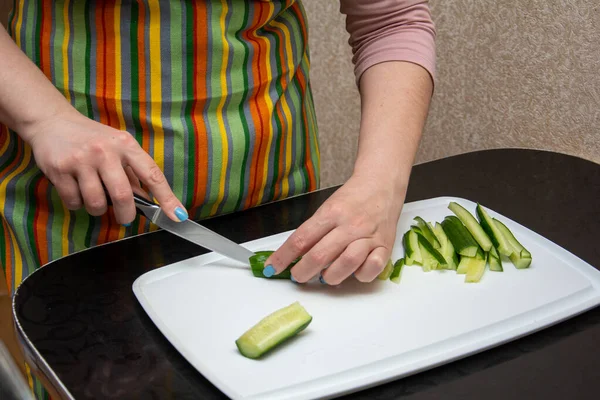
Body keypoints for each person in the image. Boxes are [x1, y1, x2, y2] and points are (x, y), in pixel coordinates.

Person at [0, 0, 435, 397]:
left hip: (272, 193)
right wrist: (45, 119)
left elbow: (390, 19)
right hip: (71, 207)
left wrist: (381, 183)